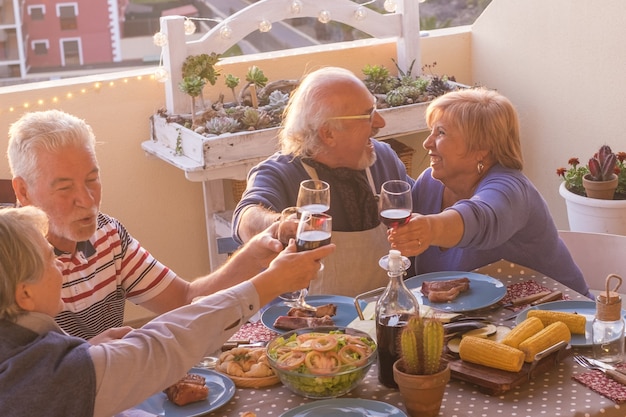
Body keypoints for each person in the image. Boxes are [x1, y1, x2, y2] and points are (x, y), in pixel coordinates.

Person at [0, 206, 334, 417]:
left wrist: (88, 355)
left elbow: (182, 303)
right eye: (49, 259)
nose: (61, 264)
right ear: (25, 293)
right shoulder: (53, 375)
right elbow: (166, 343)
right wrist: (267, 285)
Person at [6, 110, 291, 341]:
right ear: (23, 192)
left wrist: (253, 255)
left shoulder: (108, 235)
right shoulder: (9, 262)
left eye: (92, 179)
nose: (87, 198)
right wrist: (83, 361)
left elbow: (184, 300)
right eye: (65, 187)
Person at [388, 88, 592, 298]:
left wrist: (430, 228)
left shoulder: (511, 190)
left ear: (481, 147)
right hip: (484, 324)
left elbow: (481, 218)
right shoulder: (429, 184)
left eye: (441, 133)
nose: (427, 143)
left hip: (564, 315)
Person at [231, 66, 414, 297]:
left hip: (385, 316)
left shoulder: (384, 159)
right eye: (368, 115)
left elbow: (419, 210)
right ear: (328, 133)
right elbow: (245, 219)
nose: (380, 122)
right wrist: (281, 224)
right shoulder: (279, 172)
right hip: (312, 326)